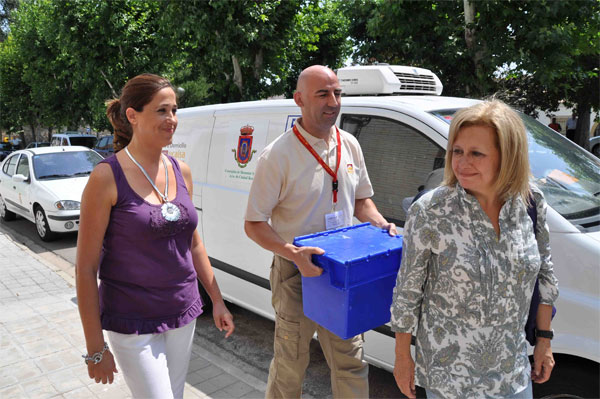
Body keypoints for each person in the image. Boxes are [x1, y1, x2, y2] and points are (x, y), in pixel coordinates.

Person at [76, 73, 234, 399]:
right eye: (162, 111)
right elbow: (85, 268)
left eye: (175, 110)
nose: (172, 119)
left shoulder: (182, 171)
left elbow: (193, 243)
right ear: (132, 116)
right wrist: (95, 348)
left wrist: (217, 300)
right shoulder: (106, 177)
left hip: (183, 312)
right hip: (132, 321)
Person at [244, 65, 397, 398]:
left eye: (337, 93)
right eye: (322, 94)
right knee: (290, 363)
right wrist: (293, 255)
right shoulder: (278, 155)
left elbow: (361, 202)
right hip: (297, 273)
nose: (333, 102)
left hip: (343, 271)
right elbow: (254, 224)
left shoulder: (351, 144)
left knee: (351, 362)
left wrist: (380, 223)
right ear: (299, 99)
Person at [390, 100, 559, 399]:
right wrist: (403, 358)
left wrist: (544, 339)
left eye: (476, 154)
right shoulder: (431, 210)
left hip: (513, 373)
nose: (462, 163)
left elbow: (544, 274)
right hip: (450, 381)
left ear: (507, 157)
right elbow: (407, 291)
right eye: (457, 151)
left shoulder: (530, 203)